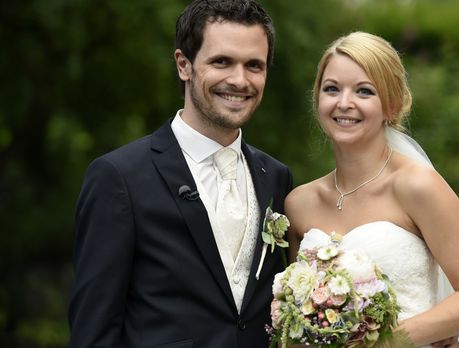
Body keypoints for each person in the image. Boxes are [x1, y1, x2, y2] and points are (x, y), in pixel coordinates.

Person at [68, 1, 293, 347]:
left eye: (254, 66)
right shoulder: (118, 178)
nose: (239, 80)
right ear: (184, 65)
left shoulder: (276, 177)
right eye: (222, 61)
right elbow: (94, 331)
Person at [285, 32, 459, 348]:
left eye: (364, 91)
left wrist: (382, 342)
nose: (344, 103)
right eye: (332, 89)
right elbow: (294, 318)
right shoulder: (299, 204)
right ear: (317, 99)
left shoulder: (417, 186)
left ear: (392, 105)